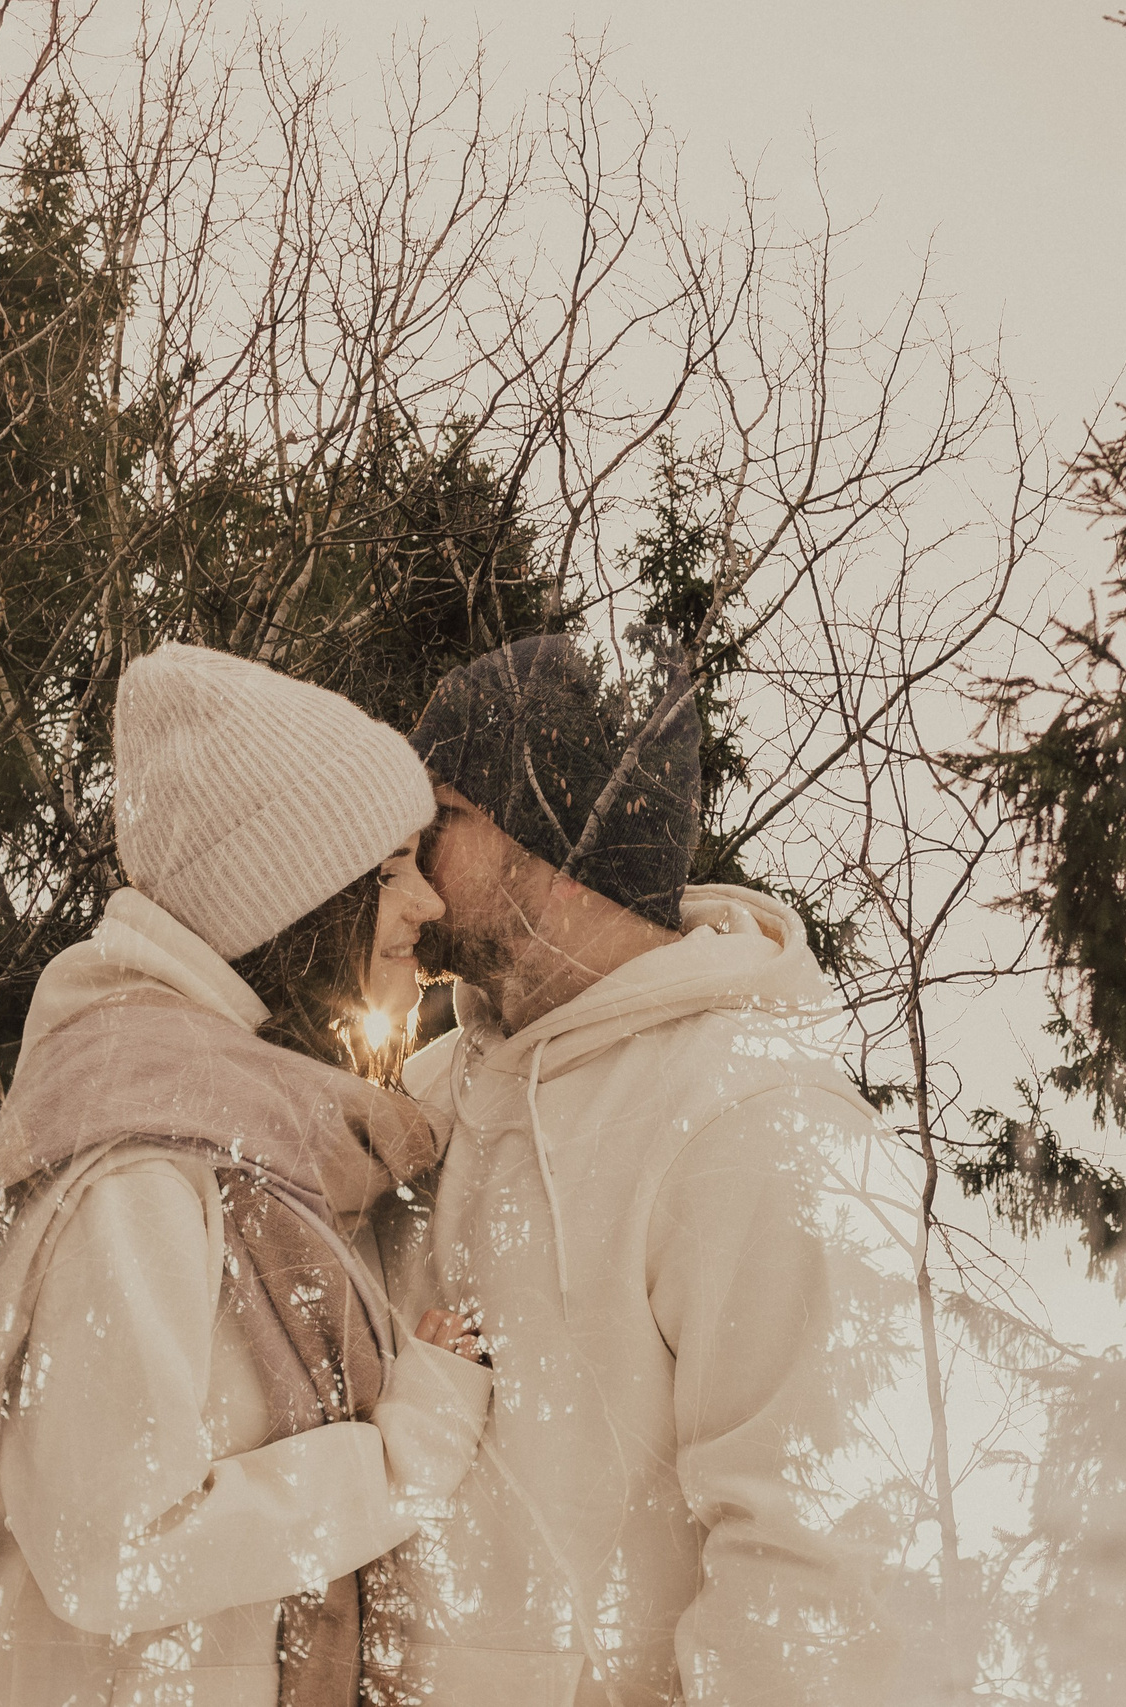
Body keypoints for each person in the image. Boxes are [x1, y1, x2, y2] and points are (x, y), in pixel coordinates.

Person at [0, 642, 495, 1707]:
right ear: (302, 897)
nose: (425, 905)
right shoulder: (136, 1172)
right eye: (392, 868)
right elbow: (116, 1543)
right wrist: (411, 1445)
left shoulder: (219, 1129)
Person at [373, 636, 901, 1706]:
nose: (407, 858)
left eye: (443, 818)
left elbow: (808, 1567)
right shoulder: (431, 1093)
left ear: (555, 841)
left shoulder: (753, 1117)